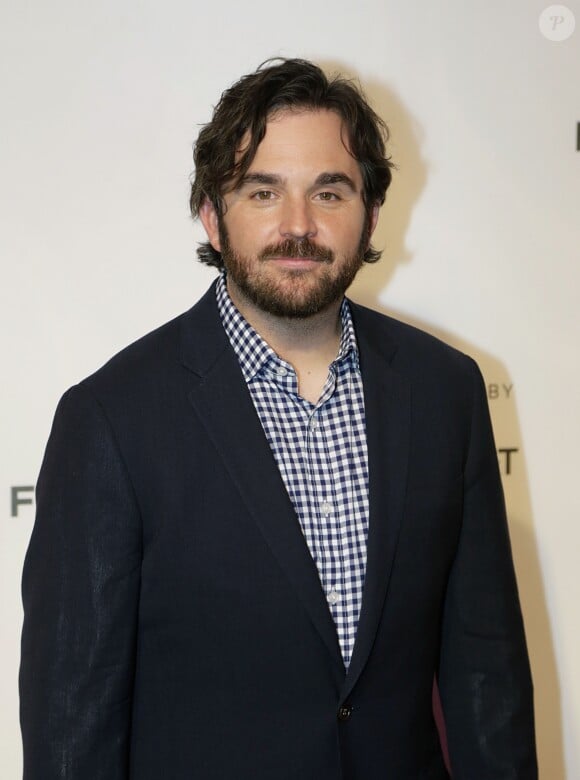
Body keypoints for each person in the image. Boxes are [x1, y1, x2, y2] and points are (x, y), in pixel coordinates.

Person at [20, 58, 537, 779]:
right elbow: (72, 725)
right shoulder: (110, 419)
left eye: (330, 191)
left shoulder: (444, 389)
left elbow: (489, 679)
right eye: (263, 192)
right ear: (211, 213)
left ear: (372, 214)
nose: (299, 226)